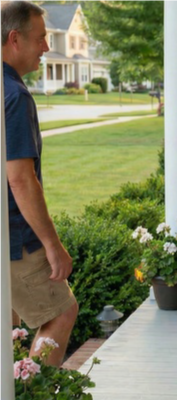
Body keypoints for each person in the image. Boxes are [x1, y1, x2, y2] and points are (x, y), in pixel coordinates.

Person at [2, 0, 78, 367]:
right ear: (14, 39)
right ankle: (35, 392)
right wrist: (53, 245)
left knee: (10, 328)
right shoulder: (14, 96)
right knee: (60, 313)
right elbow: (19, 179)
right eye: (41, 38)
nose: (47, 47)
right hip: (15, 238)